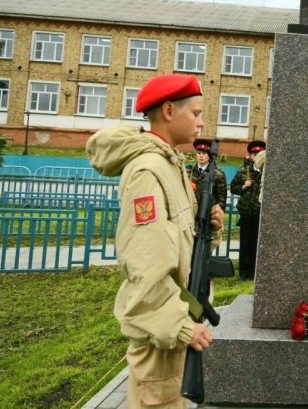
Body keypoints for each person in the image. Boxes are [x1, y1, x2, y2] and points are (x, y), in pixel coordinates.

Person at [86, 73, 223, 407]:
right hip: (163, 331)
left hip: (173, 322)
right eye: (196, 113)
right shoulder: (149, 170)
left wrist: (209, 228)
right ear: (168, 111)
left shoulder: (169, 162)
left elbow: (178, 242)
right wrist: (180, 326)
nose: (202, 123)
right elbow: (145, 261)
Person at [230, 140, 266, 280]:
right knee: (245, 244)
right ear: (250, 156)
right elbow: (233, 187)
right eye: (254, 153)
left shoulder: (267, 172)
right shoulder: (243, 171)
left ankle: (255, 273)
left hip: (260, 213)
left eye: (259, 153)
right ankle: (244, 274)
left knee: (256, 244)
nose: (256, 155)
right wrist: (243, 186)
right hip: (246, 213)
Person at [187, 138, 228, 211]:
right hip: (189, 212)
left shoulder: (218, 174)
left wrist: (216, 213)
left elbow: (221, 198)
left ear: (209, 155)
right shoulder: (188, 171)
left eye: (204, 153)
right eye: (199, 153)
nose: (201, 156)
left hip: (208, 213)